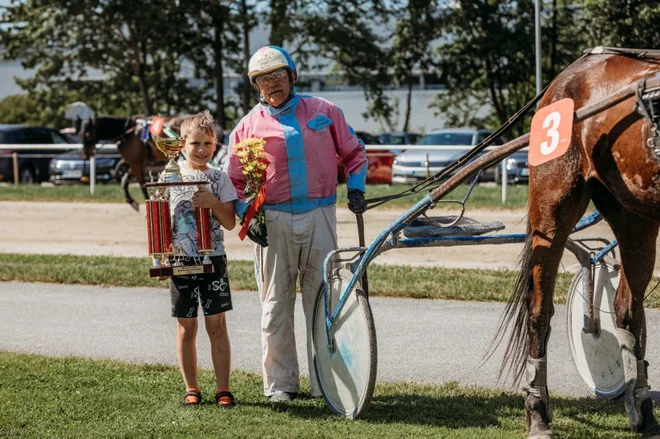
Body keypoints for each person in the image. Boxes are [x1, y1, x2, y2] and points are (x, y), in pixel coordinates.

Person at [227, 45, 368, 402]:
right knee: (276, 304)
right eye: (262, 79)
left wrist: (356, 188)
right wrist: (247, 212)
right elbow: (235, 181)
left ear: (292, 75)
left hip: (320, 214)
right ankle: (281, 386)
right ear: (255, 86)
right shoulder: (246, 128)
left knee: (323, 301)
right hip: (272, 221)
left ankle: (329, 383)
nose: (271, 84)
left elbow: (354, 153)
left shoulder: (325, 111)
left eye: (277, 75)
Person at [163, 110, 238, 408]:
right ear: (181, 144)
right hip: (180, 261)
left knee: (216, 326)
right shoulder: (170, 175)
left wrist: (213, 202)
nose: (201, 149)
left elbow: (230, 222)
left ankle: (223, 389)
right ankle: (191, 388)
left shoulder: (220, 179)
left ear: (215, 143)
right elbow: (161, 217)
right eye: (195, 143)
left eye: (207, 143)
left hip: (213, 261)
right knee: (186, 327)